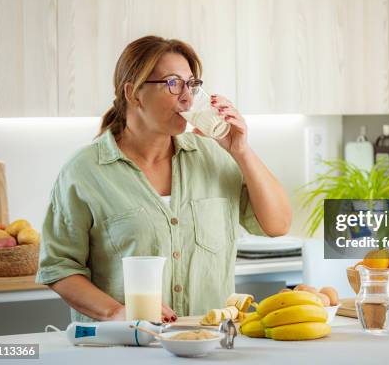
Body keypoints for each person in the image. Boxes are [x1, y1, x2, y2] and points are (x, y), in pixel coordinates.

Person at [36, 36, 291, 323]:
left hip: (207, 342)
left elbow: (278, 225)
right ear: (133, 93)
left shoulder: (214, 157)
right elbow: (59, 267)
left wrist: (241, 151)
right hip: (125, 348)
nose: (187, 97)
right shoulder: (84, 171)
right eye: (173, 83)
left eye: (191, 85)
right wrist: (116, 312)